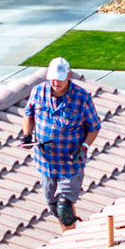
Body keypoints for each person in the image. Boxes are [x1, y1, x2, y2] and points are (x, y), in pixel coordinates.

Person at [21, 57, 100, 231]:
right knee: (55, 207)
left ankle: (70, 240)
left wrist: (84, 147)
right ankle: (69, 231)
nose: (56, 82)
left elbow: (94, 127)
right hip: (46, 163)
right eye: (53, 78)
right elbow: (28, 114)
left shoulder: (81, 98)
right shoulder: (38, 92)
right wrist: (27, 134)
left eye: (60, 78)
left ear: (69, 75)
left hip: (70, 162)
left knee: (64, 207)